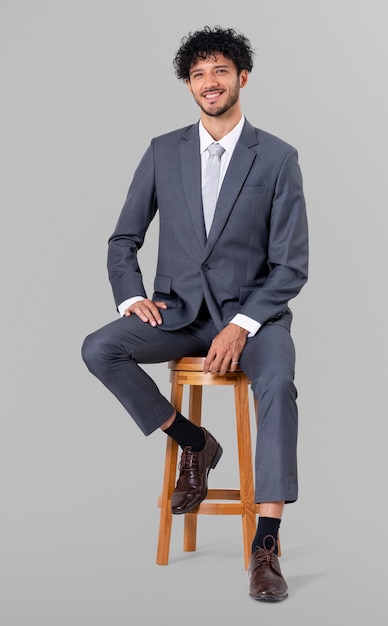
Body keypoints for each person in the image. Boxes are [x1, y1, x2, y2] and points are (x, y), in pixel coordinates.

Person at [82, 25, 308, 602]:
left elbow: (290, 266)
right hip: (179, 314)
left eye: (220, 72)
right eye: (198, 75)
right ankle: (192, 440)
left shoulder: (278, 158)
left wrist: (243, 323)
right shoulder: (163, 151)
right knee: (99, 348)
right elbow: (123, 238)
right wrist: (131, 295)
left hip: (255, 319)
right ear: (189, 85)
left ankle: (267, 546)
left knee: (278, 384)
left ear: (242, 78)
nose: (210, 83)